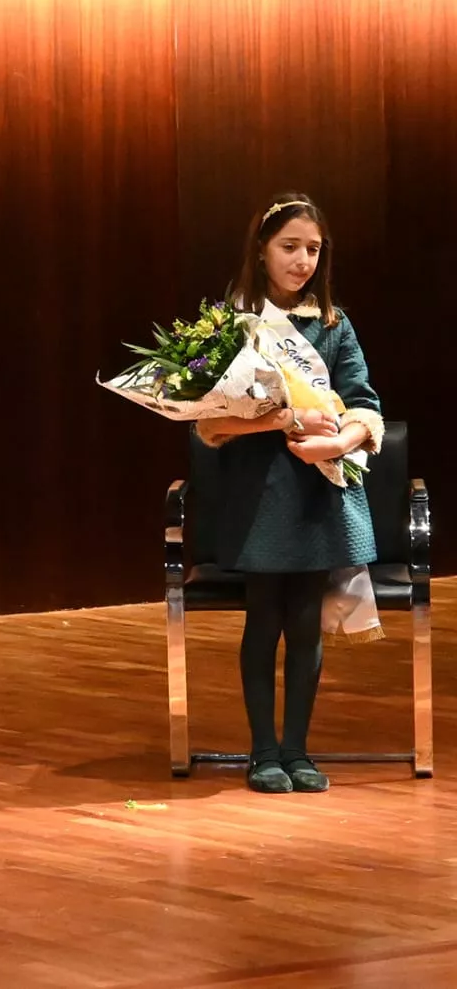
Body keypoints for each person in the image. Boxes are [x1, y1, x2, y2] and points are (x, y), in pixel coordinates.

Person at [192, 193, 384, 795]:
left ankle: (298, 751)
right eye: (290, 247)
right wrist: (281, 421)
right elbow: (209, 422)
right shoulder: (230, 324)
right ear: (261, 250)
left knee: (305, 624)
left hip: (318, 490)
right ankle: (263, 753)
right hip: (259, 493)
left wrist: (339, 441)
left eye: (313, 250)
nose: (303, 261)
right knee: (263, 620)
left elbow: (364, 405)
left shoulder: (332, 324)